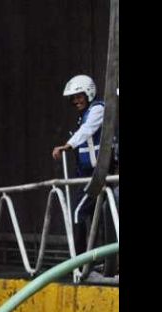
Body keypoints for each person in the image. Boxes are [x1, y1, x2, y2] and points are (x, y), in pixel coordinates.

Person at [51, 74, 105, 255]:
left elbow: (87, 130)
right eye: (73, 98)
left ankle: (80, 265)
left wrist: (67, 146)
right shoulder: (84, 115)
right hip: (86, 175)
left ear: (89, 93)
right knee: (99, 217)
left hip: (99, 175)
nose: (76, 101)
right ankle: (97, 263)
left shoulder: (98, 109)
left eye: (79, 96)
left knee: (79, 213)